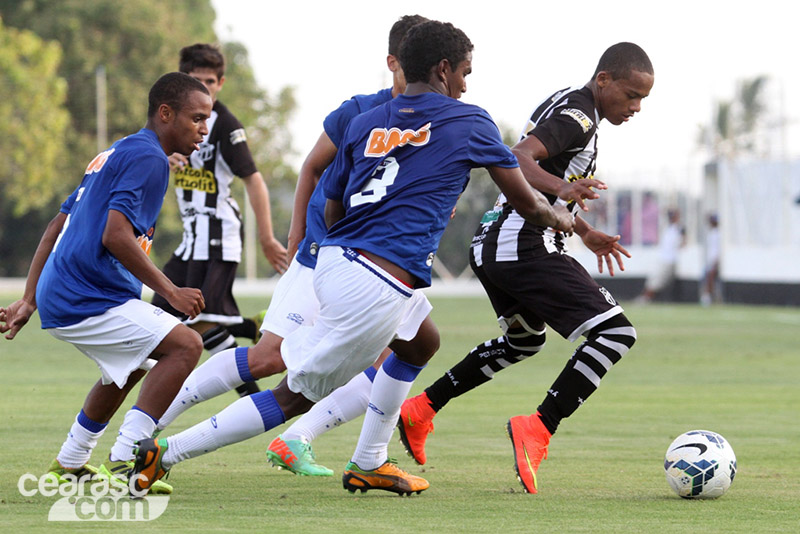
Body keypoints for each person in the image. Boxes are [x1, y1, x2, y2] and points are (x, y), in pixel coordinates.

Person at [130, 19, 574, 497]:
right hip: (375, 284)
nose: (467, 83)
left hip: (337, 260)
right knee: (292, 394)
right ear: (444, 69)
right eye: (466, 71)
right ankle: (164, 453)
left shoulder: (367, 122)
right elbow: (525, 200)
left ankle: (370, 460)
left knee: (420, 341)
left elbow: (333, 200)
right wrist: (559, 218)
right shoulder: (469, 120)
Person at [148, 16, 432, 479]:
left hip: (383, 266)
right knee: (269, 359)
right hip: (328, 254)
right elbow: (311, 167)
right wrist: (296, 229)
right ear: (393, 63)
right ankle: (153, 424)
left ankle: (346, 452)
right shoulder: (361, 110)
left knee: (415, 344)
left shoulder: (436, 122)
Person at [398, 42, 654, 494]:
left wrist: (583, 230)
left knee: (523, 341)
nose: (635, 107)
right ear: (604, 81)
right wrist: (564, 188)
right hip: (525, 244)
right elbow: (516, 157)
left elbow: (543, 187)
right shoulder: (580, 115)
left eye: (642, 100)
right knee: (615, 333)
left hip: (497, 243)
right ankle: (539, 426)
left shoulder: (569, 104)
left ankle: (421, 408)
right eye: (631, 95)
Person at [0, 72, 212, 495]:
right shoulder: (149, 158)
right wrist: (171, 291)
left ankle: (71, 462)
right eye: (197, 118)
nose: (203, 129)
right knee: (187, 346)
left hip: (68, 291)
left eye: (207, 120)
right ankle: (126, 462)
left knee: (130, 367)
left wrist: (29, 298)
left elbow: (56, 226)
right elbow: (114, 236)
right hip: (86, 294)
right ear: (165, 113)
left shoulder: (116, 151)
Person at [151, 43, 288, 398]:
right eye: (196, 81)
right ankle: (248, 326)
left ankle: (254, 402)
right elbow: (149, 159)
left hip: (217, 234)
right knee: (157, 319)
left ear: (220, 83)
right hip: (189, 238)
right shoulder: (169, 121)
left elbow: (254, 180)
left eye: (210, 82)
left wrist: (267, 239)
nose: (205, 89)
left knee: (202, 320)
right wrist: (163, 160)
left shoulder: (225, 125)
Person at [638, 208, 686, 303]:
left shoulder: (679, 228)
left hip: (670, 260)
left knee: (658, 281)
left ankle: (646, 298)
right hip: (663, 258)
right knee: (654, 279)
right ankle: (645, 297)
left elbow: (684, 242)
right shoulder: (666, 227)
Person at [700, 213, 721, 305]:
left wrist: (716, 260)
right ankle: (709, 296)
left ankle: (708, 297)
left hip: (714, 260)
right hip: (709, 260)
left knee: (710, 278)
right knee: (707, 279)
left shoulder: (718, 233)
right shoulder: (711, 233)